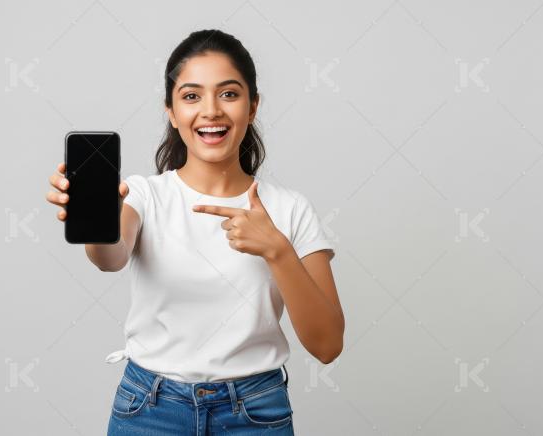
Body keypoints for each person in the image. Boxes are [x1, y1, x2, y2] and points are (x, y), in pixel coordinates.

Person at [46, 29, 344, 436]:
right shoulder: (145, 195)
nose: (210, 111)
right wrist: (97, 220)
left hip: (255, 413)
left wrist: (277, 250)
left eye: (229, 94)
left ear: (253, 106)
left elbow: (327, 345)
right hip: (150, 408)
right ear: (170, 111)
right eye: (191, 96)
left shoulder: (290, 209)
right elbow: (109, 258)